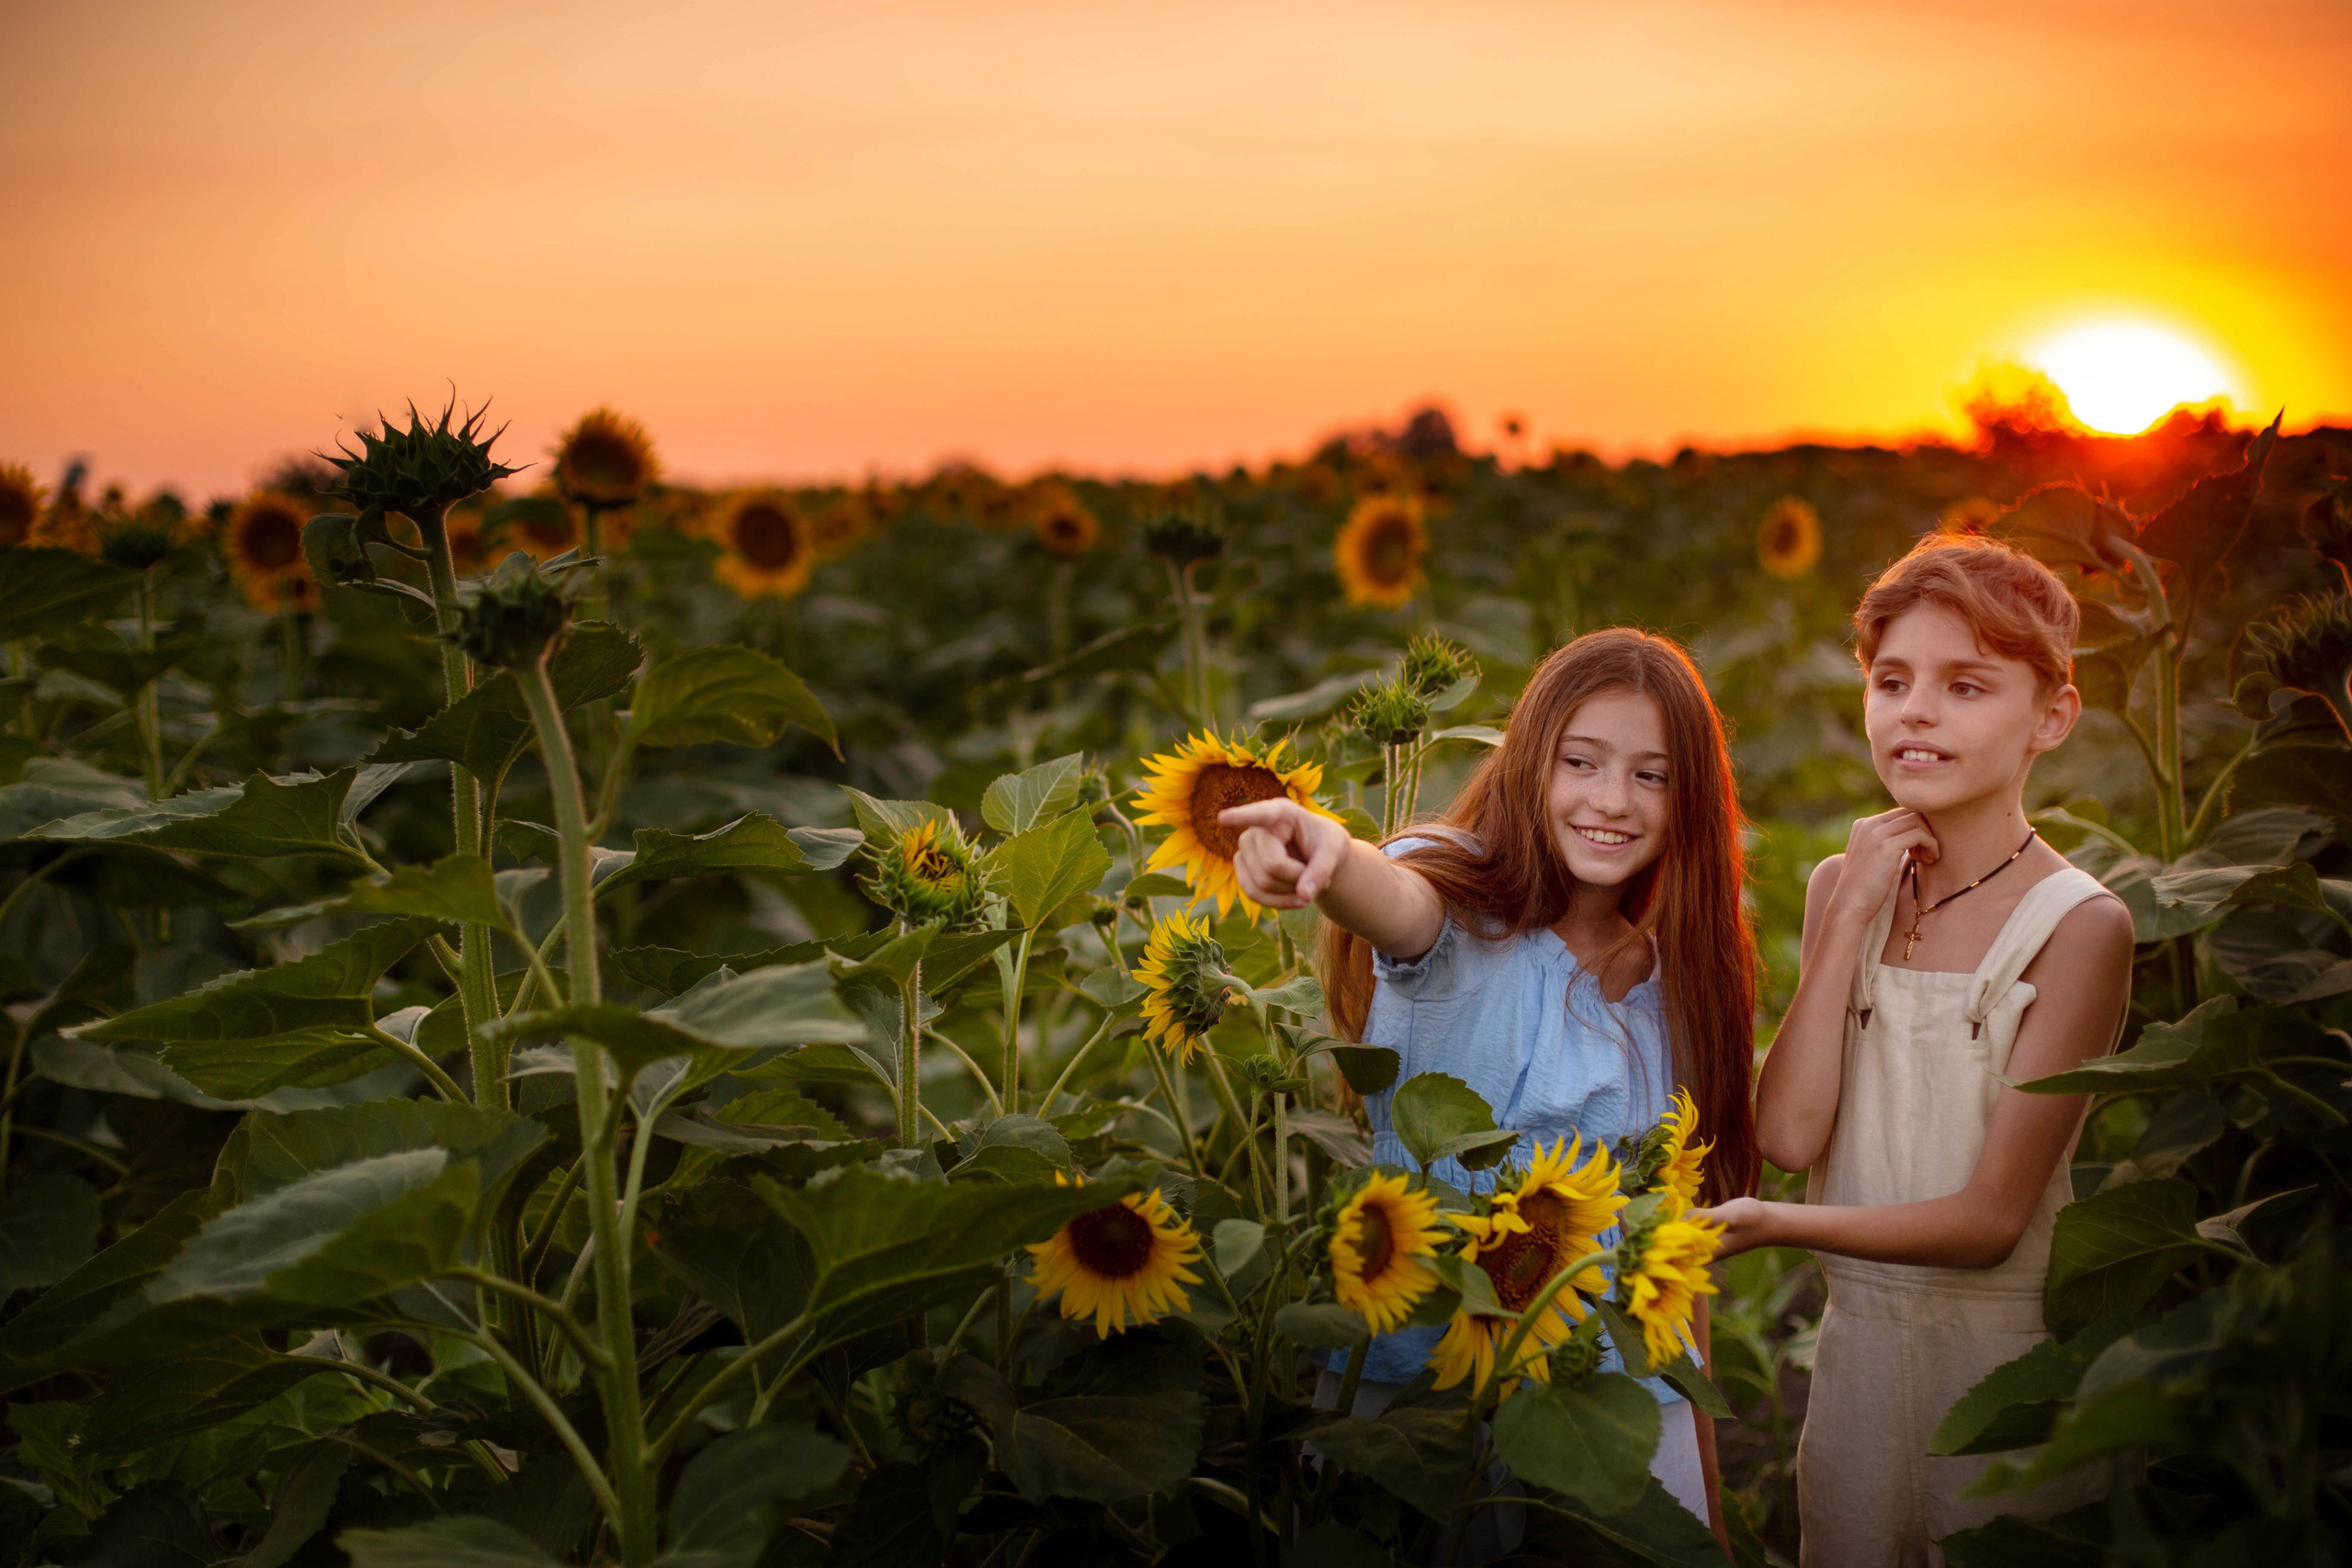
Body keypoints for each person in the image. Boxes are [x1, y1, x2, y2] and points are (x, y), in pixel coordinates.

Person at [1223, 626, 1760, 1551]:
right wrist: (1320, 851)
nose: (1610, 801)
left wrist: (1705, 1494)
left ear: (1691, 804)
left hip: (1608, 1401)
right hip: (1417, 1391)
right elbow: (1389, 896)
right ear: (1529, 764)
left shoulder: (1683, 986)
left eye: (1651, 775)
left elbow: (1675, 1254)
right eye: (1580, 761)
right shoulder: (1461, 907)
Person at [1703, 534, 2135, 1567]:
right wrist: (1847, 916)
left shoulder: (2077, 924)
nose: (1916, 711)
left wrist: (1772, 1224)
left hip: (2000, 1374)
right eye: (1890, 680)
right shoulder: (1836, 887)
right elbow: (1790, 1128)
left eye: (1966, 685)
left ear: (2052, 718)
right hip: (1854, 1365)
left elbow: (1991, 1223)